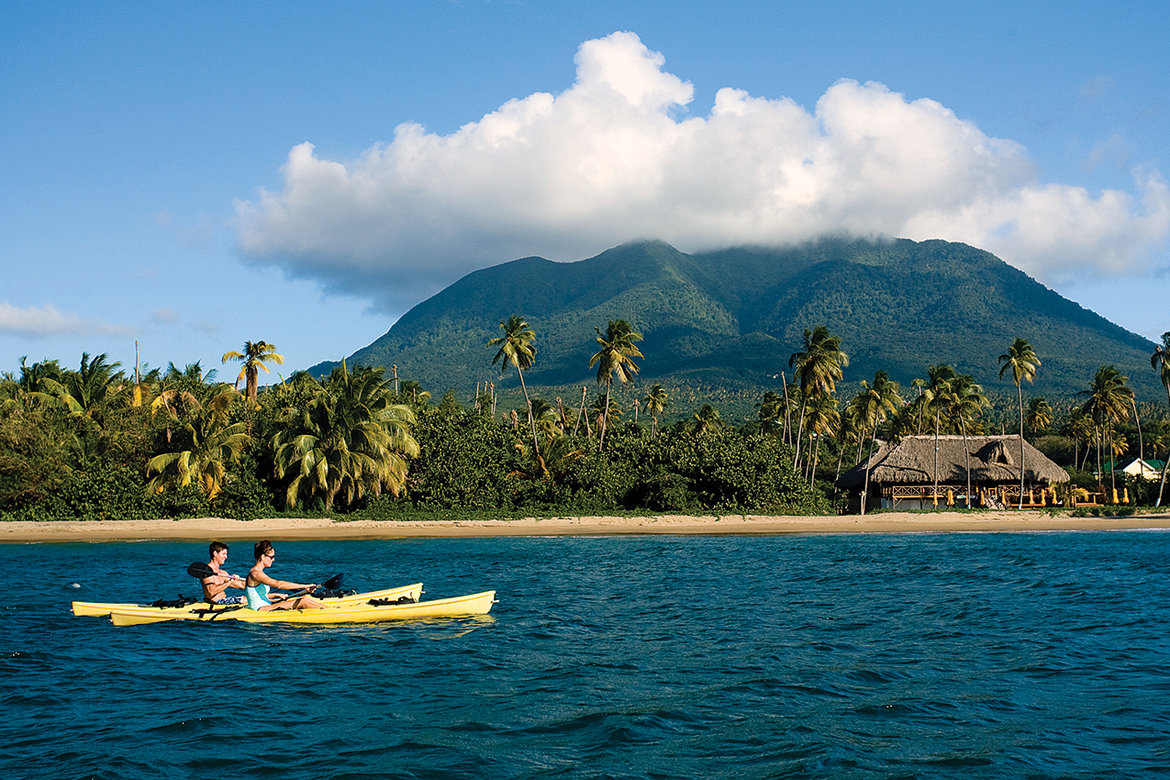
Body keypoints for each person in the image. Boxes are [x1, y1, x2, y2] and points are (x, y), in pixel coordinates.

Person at [244, 540, 325, 611]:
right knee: (303, 601)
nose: (273, 559)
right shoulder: (255, 573)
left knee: (304, 599)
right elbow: (278, 584)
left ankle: (329, 610)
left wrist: (277, 595)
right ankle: (333, 612)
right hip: (262, 609)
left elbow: (257, 595)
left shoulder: (257, 572)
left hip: (266, 606)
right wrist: (304, 586)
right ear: (262, 557)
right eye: (271, 557)